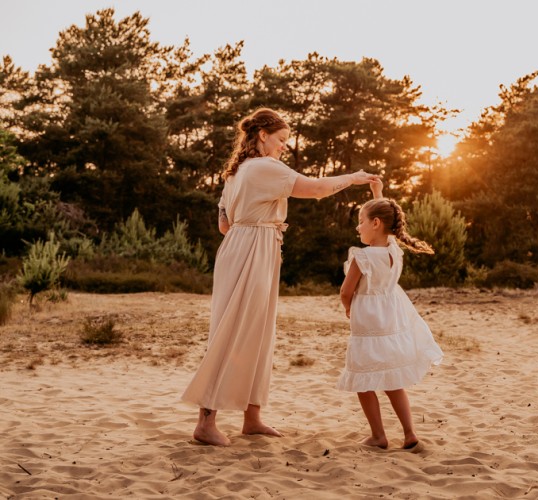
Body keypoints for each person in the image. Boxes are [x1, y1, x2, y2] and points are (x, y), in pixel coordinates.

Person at [182, 108, 379, 446]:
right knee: (233, 332)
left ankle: (252, 417)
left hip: (245, 246)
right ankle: (206, 422)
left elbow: (223, 224)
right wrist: (353, 178)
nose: (284, 147)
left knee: (259, 334)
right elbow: (315, 189)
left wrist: (257, 227)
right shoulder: (263, 167)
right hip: (252, 250)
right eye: (282, 140)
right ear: (262, 135)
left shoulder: (236, 171)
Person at [338, 178, 444, 450]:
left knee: (364, 380)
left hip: (368, 324)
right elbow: (389, 219)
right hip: (392, 321)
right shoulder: (394, 250)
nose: (357, 226)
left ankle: (378, 436)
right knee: (393, 379)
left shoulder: (362, 257)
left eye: (361, 220)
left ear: (375, 223)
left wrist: (348, 307)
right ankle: (409, 434)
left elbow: (345, 291)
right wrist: (378, 194)